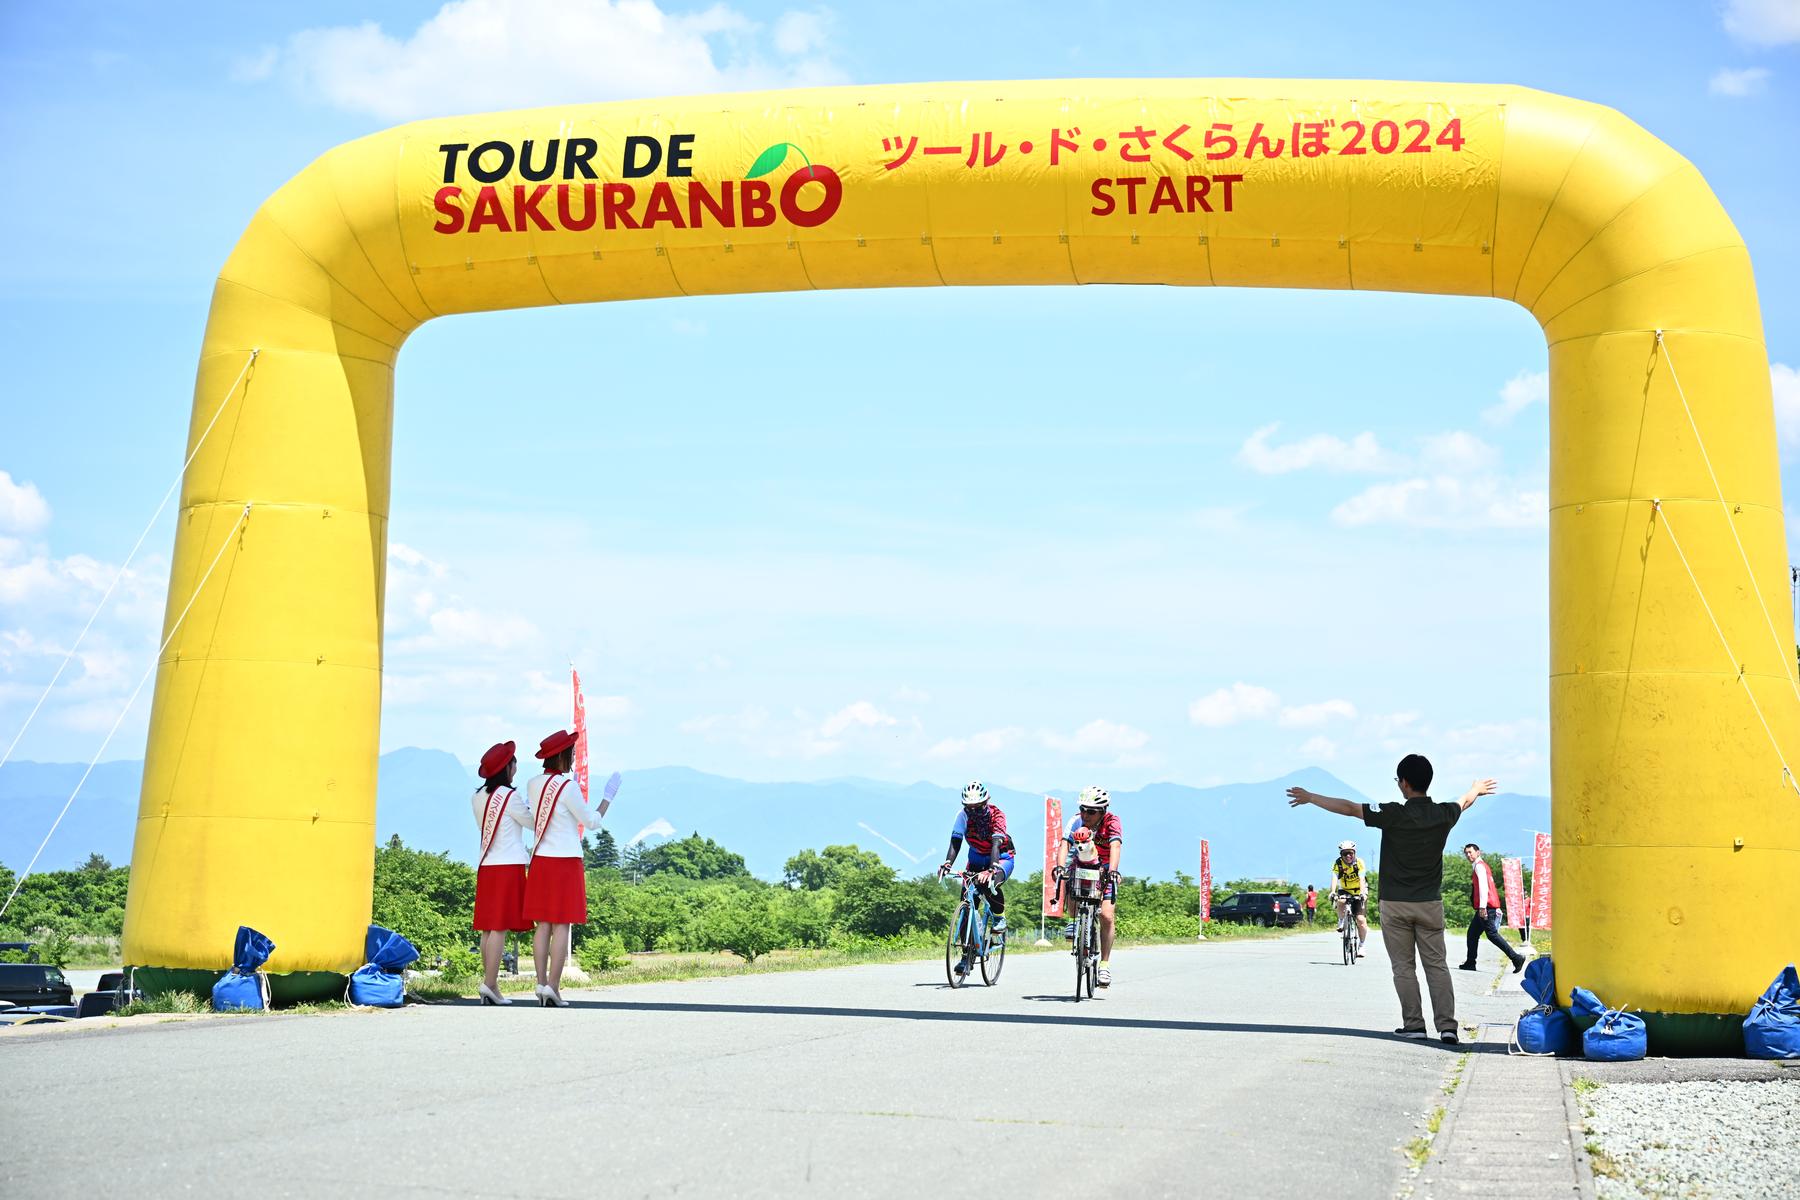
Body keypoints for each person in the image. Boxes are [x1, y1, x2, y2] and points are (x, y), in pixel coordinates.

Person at [1287, 755, 1496, 1044]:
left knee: (1403, 967)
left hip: (1395, 904)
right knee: (1436, 965)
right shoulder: (1444, 813)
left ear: (1405, 783)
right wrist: (1476, 788)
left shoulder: (1392, 813)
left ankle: (1414, 1024)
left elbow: (1349, 808)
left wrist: (1311, 797)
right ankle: (1447, 1027)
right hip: (1430, 904)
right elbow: (1464, 802)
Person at [517, 729, 611, 1007]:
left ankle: (540, 983)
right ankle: (553, 987)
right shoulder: (568, 787)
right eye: (571, 753)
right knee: (562, 925)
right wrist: (607, 799)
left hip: (540, 860)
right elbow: (591, 822)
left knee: (542, 924)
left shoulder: (533, 784)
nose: (573, 758)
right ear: (562, 756)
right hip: (566, 861)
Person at [471, 740, 531, 1005]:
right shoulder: (509, 796)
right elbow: (531, 822)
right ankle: (489, 983)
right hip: (508, 866)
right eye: (514, 763)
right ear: (507, 768)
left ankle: (491, 985)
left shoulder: (477, 797)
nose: (516, 767)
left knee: (488, 928)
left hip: (486, 864)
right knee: (499, 927)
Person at [937, 781, 1016, 979]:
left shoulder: (997, 815)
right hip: (975, 859)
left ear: (986, 802)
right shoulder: (962, 816)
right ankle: (967, 956)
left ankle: (999, 917)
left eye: (977, 808)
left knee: (989, 884)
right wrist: (947, 863)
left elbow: (996, 844)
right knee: (966, 902)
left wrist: (992, 869)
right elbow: (955, 841)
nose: (973, 812)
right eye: (969, 808)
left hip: (1001, 857)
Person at [1060, 786, 1123, 987]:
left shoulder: (1112, 822)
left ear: (1103, 811)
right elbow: (1064, 844)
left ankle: (1104, 965)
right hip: (1081, 864)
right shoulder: (1075, 821)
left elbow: (1115, 845)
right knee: (1069, 877)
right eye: (1083, 809)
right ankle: (1073, 920)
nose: (1085, 815)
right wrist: (1060, 867)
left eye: (1091, 811)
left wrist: (1113, 870)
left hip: (1104, 868)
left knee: (1106, 916)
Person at [1458, 843, 1526, 974]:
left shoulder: (1479, 866)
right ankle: (1470, 962)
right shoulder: (1483, 866)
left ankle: (1516, 958)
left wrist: (1482, 907)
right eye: (1466, 853)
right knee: (1472, 934)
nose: (1468, 855)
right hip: (1487, 907)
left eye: (1470, 852)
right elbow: (1491, 888)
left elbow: (1484, 887)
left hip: (1486, 907)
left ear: (1478, 852)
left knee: (1492, 935)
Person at [1328, 840, 1370, 956]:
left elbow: (1362, 879)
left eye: (1350, 853)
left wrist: (1362, 893)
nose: (1348, 856)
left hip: (1359, 890)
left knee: (1360, 920)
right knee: (1340, 900)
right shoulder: (1338, 863)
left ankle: (1361, 946)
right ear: (1341, 855)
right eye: (1345, 853)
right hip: (1345, 889)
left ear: (1354, 853)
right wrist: (1332, 892)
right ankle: (1341, 920)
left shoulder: (1359, 862)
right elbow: (1334, 878)